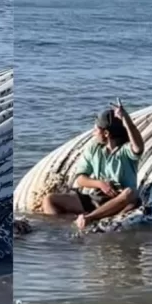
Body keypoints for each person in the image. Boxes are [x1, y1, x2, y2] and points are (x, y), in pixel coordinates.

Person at [42, 98, 145, 230]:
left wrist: (126, 120)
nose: (93, 132)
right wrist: (100, 184)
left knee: (131, 193)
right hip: (97, 198)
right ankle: (73, 224)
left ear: (106, 133)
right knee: (49, 200)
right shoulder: (94, 148)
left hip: (120, 202)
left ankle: (90, 218)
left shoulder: (125, 150)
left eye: (96, 129)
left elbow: (138, 147)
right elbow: (80, 179)